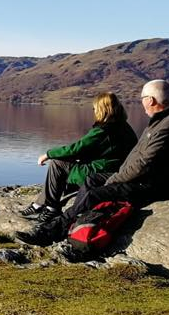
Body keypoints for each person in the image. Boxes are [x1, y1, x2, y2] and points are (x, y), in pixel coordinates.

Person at [16, 79, 169, 246]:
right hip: (145, 179)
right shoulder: (163, 120)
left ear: (150, 100)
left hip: (152, 186)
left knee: (95, 194)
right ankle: (77, 222)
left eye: (142, 99)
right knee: (92, 180)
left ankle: (51, 232)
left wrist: (114, 180)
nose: (141, 104)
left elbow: (143, 163)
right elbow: (137, 156)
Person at [20, 92, 138, 221]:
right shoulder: (125, 127)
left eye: (94, 108)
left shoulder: (104, 130)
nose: (94, 111)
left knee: (57, 163)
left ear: (101, 109)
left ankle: (50, 207)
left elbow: (77, 148)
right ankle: (41, 204)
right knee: (66, 160)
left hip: (99, 173)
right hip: (115, 170)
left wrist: (48, 154)